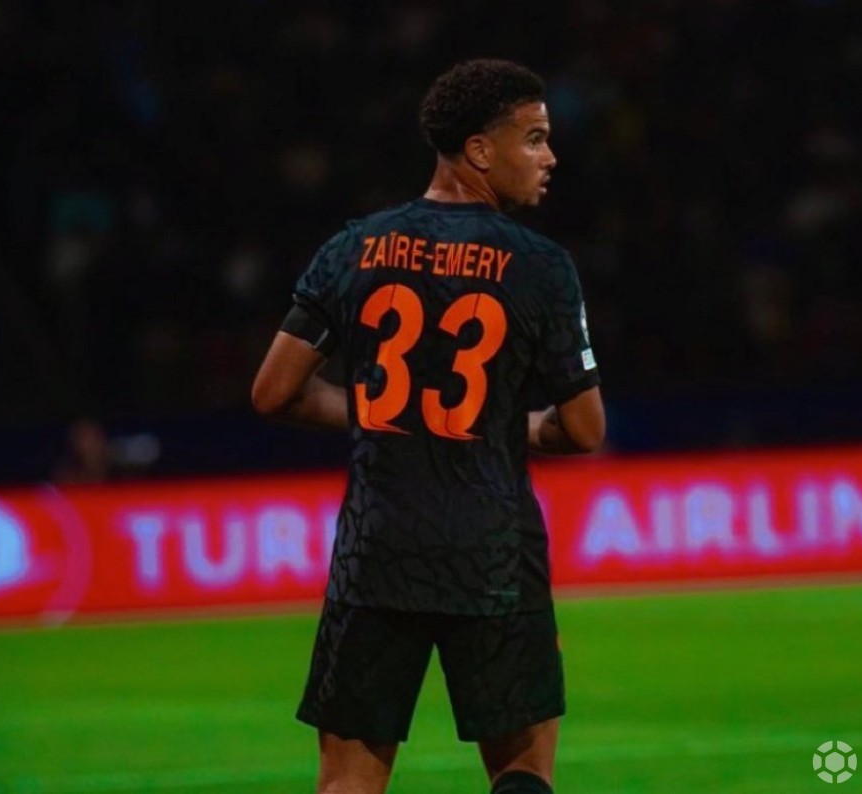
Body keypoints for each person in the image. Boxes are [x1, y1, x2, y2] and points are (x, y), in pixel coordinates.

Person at [252, 58, 605, 794]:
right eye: (534, 139)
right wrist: (502, 423)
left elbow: (274, 392)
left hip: (375, 553)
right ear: (480, 150)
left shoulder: (353, 247)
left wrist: (385, 410)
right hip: (494, 554)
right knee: (521, 772)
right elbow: (583, 430)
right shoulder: (541, 267)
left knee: (347, 780)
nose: (550, 157)